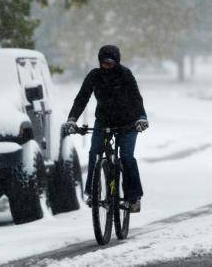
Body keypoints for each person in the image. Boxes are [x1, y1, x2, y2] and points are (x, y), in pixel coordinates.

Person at [62, 45, 148, 213]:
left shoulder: (125, 74)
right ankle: (92, 193)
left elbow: (136, 98)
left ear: (117, 62)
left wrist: (142, 118)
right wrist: (72, 119)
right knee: (94, 152)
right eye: (104, 63)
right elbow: (81, 98)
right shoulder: (94, 76)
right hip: (104, 121)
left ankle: (133, 197)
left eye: (110, 63)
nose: (107, 66)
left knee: (126, 157)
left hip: (128, 123)